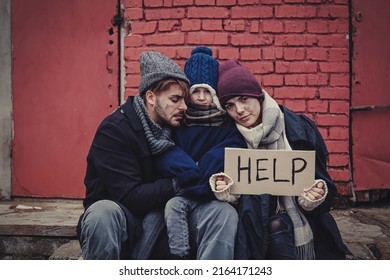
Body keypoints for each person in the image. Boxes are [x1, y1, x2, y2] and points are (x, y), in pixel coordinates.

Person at [77, 52, 238, 260]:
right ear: (151, 97)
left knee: (222, 213)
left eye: (184, 99)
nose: (184, 106)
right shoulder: (116, 130)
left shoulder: (171, 125)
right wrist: (178, 183)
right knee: (102, 213)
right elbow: (130, 197)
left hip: (169, 222)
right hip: (126, 226)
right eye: (175, 99)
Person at [209, 59, 351, 260]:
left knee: (277, 226)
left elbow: (326, 188)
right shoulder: (230, 140)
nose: (239, 110)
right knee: (274, 226)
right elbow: (236, 200)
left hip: (302, 218)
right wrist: (226, 189)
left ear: (258, 96)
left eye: (243, 99)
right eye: (230, 105)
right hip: (254, 225)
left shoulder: (299, 128)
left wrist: (315, 194)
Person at [154, 46, 246, 259]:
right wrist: (189, 169)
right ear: (188, 93)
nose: (202, 97)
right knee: (172, 207)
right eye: (196, 91)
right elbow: (167, 149)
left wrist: (204, 165)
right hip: (185, 189)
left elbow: (231, 147)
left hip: (212, 190)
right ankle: (181, 256)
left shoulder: (224, 122)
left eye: (208, 92)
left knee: (223, 214)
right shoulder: (179, 121)